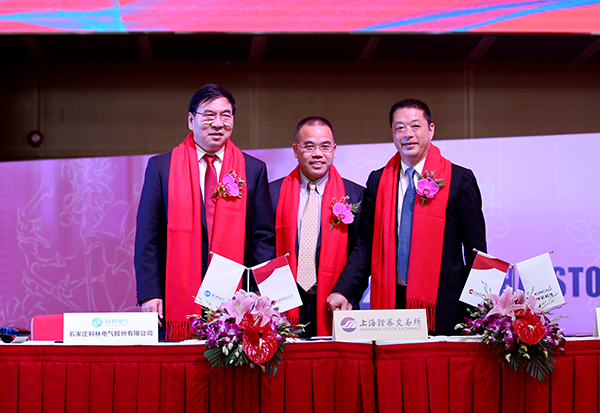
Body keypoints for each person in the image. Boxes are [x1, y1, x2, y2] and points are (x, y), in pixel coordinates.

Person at [328, 99, 486, 335]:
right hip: (392, 301)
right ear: (392, 133)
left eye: (415, 126)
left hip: (445, 304)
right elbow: (365, 245)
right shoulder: (378, 181)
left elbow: (476, 251)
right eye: (400, 127)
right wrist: (343, 290)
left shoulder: (459, 179)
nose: (407, 134)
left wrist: (478, 311)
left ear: (431, 130)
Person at [134, 84, 276, 340]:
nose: (218, 123)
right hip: (173, 294)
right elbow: (148, 237)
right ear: (191, 120)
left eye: (225, 115)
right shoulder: (161, 167)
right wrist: (149, 293)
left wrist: (258, 291)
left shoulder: (253, 170)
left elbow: (262, 237)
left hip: (237, 297)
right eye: (209, 115)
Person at [270, 116, 364, 337]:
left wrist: (345, 292)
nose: (318, 154)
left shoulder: (356, 195)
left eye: (325, 146)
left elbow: (361, 252)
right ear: (296, 150)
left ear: (334, 150)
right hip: (283, 302)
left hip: (336, 300)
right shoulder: (272, 193)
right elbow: (263, 247)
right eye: (309, 146)